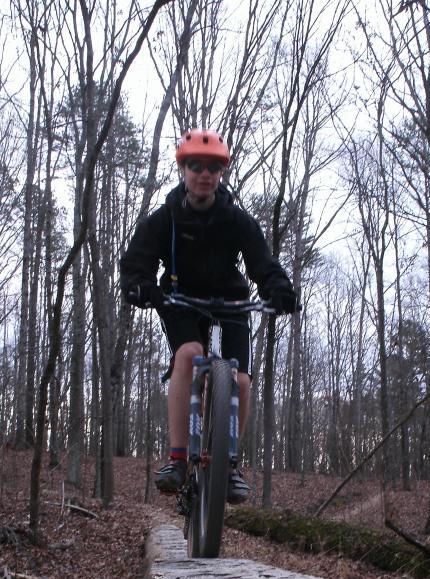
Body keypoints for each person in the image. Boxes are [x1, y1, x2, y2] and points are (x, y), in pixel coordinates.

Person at [120, 128, 297, 503]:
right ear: (184, 170)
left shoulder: (236, 220)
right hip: (181, 301)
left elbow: (263, 263)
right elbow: (136, 262)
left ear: (221, 173)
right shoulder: (165, 218)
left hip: (231, 304)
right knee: (188, 354)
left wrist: (279, 290)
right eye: (196, 166)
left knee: (241, 382)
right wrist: (140, 286)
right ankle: (178, 458)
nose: (205, 174)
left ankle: (228, 465)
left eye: (213, 167)